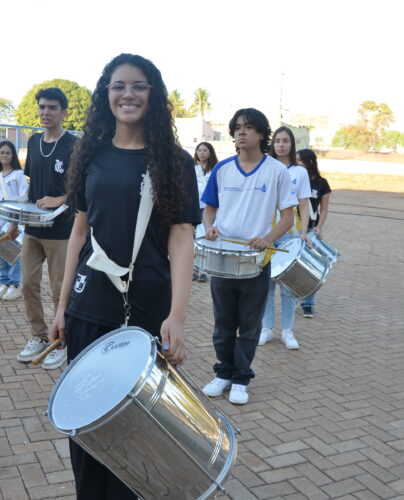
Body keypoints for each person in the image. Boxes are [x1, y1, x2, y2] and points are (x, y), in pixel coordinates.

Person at [49, 53, 199, 500]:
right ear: (106, 94)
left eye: (138, 86)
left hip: (148, 307)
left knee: (139, 424)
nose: (128, 94)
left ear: (153, 95)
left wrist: (178, 315)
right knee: (87, 417)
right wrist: (60, 308)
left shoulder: (174, 161)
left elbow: (181, 240)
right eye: (118, 86)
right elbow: (78, 233)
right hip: (88, 306)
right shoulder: (88, 154)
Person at [200, 109, 296, 405]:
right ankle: (223, 373)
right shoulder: (222, 169)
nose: (241, 132)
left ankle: (241, 378)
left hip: (256, 261)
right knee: (223, 323)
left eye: (248, 127)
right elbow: (209, 209)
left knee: (250, 325)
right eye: (237, 128)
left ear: (261, 133)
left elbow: (288, 218)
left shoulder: (277, 171)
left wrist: (267, 239)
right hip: (224, 258)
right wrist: (209, 228)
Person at [16, 88, 77, 369]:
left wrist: (59, 199)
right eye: (42, 107)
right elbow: (31, 184)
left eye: (52, 108)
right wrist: (17, 215)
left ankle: (62, 341)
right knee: (27, 284)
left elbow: (82, 189)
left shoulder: (74, 145)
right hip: (32, 228)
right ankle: (38, 336)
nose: (45, 112)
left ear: (64, 112)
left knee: (59, 289)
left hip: (62, 231)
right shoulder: (33, 140)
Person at [259, 126, 312, 349]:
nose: (281, 144)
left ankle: (287, 331)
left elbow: (304, 203)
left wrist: (303, 233)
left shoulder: (299, 172)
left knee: (288, 287)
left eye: (286, 141)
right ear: (273, 144)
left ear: (292, 145)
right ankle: (267, 328)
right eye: (278, 140)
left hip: (289, 235)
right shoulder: (264, 168)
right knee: (266, 286)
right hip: (265, 234)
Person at [0, 140, 28, 301]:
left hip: (12, 220)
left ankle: (14, 285)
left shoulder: (19, 175)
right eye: (2, 153)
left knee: (13, 252)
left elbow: (23, 198)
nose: (4, 155)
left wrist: (16, 221)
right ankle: (4, 282)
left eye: (8, 153)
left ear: (13, 155)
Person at [297, 148, 332, 317]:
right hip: (291, 228)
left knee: (310, 266)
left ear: (309, 162)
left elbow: (324, 209)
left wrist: (319, 226)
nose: (296, 163)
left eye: (299, 160)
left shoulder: (321, 183)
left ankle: (308, 303)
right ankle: (294, 295)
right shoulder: (293, 178)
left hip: (310, 228)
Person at [192, 142, 218, 283]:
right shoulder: (192, 168)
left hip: (209, 208)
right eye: (199, 150)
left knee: (205, 237)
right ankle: (195, 267)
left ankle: (204, 270)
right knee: (194, 239)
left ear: (210, 152)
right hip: (194, 207)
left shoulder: (215, 169)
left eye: (205, 150)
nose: (202, 153)